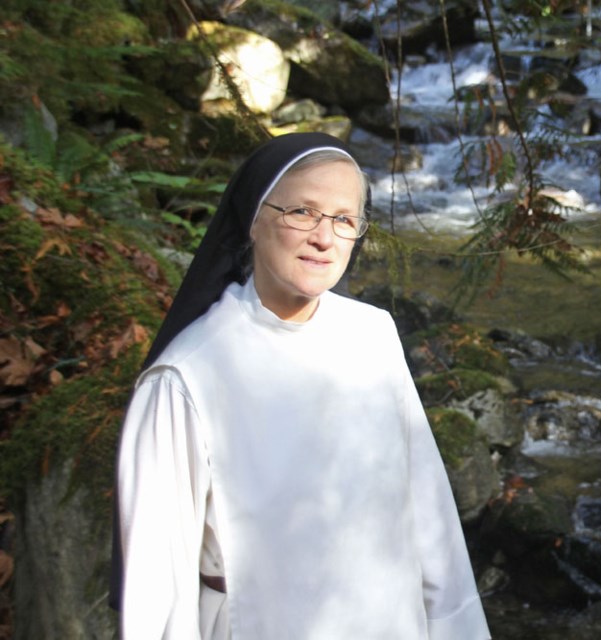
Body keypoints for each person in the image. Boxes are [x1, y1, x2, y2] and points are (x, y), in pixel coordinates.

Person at [114, 132, 491, 639]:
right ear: (252, 220)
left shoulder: (373, 334)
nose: (324, 237)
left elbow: (430, 514)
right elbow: (157, 585)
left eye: (343, 218)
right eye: (303, 212)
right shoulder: (188, 378)